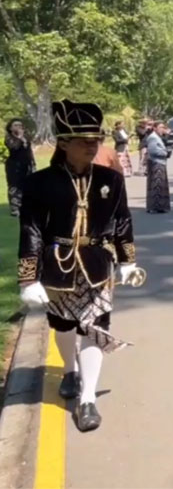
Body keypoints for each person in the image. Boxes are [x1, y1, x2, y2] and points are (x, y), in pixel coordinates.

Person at [17, 99, 137, 432]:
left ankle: (87, 399)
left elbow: (123, 221)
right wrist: (28, 280)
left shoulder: (111, 180)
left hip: (98, 268)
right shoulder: (39, 184)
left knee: (95, 329)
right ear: (64, 142)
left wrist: (127, 260)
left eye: (96, 138)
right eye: (83, 139)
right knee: (63, 326)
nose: (92, 144)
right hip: (57, 267)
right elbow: (31, 231)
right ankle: (68, 370)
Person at [5, 118, 35, 217]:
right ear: (10, 128)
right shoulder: (9, 138)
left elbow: (29, 151)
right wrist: (19, 137)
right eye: (15, 125)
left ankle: (26, 206)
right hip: (14, 166)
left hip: (27, 164)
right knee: (14, 186)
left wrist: (33, 163)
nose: (18, 127)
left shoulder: (26, 137)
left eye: (20, 125)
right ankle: (15, 208)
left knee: (28, 185)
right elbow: (14, 147)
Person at [144, 122, 172, 213]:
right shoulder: (152, 138)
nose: (162, 129)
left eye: (163, 127)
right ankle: (154, 207)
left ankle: (161, 206)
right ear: (155, 128)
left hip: (160, 162)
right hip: (156, 163)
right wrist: (165, 153)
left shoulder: (158, 137)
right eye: (160, 127)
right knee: (156, 186)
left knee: (161, 186)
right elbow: (153, 151)